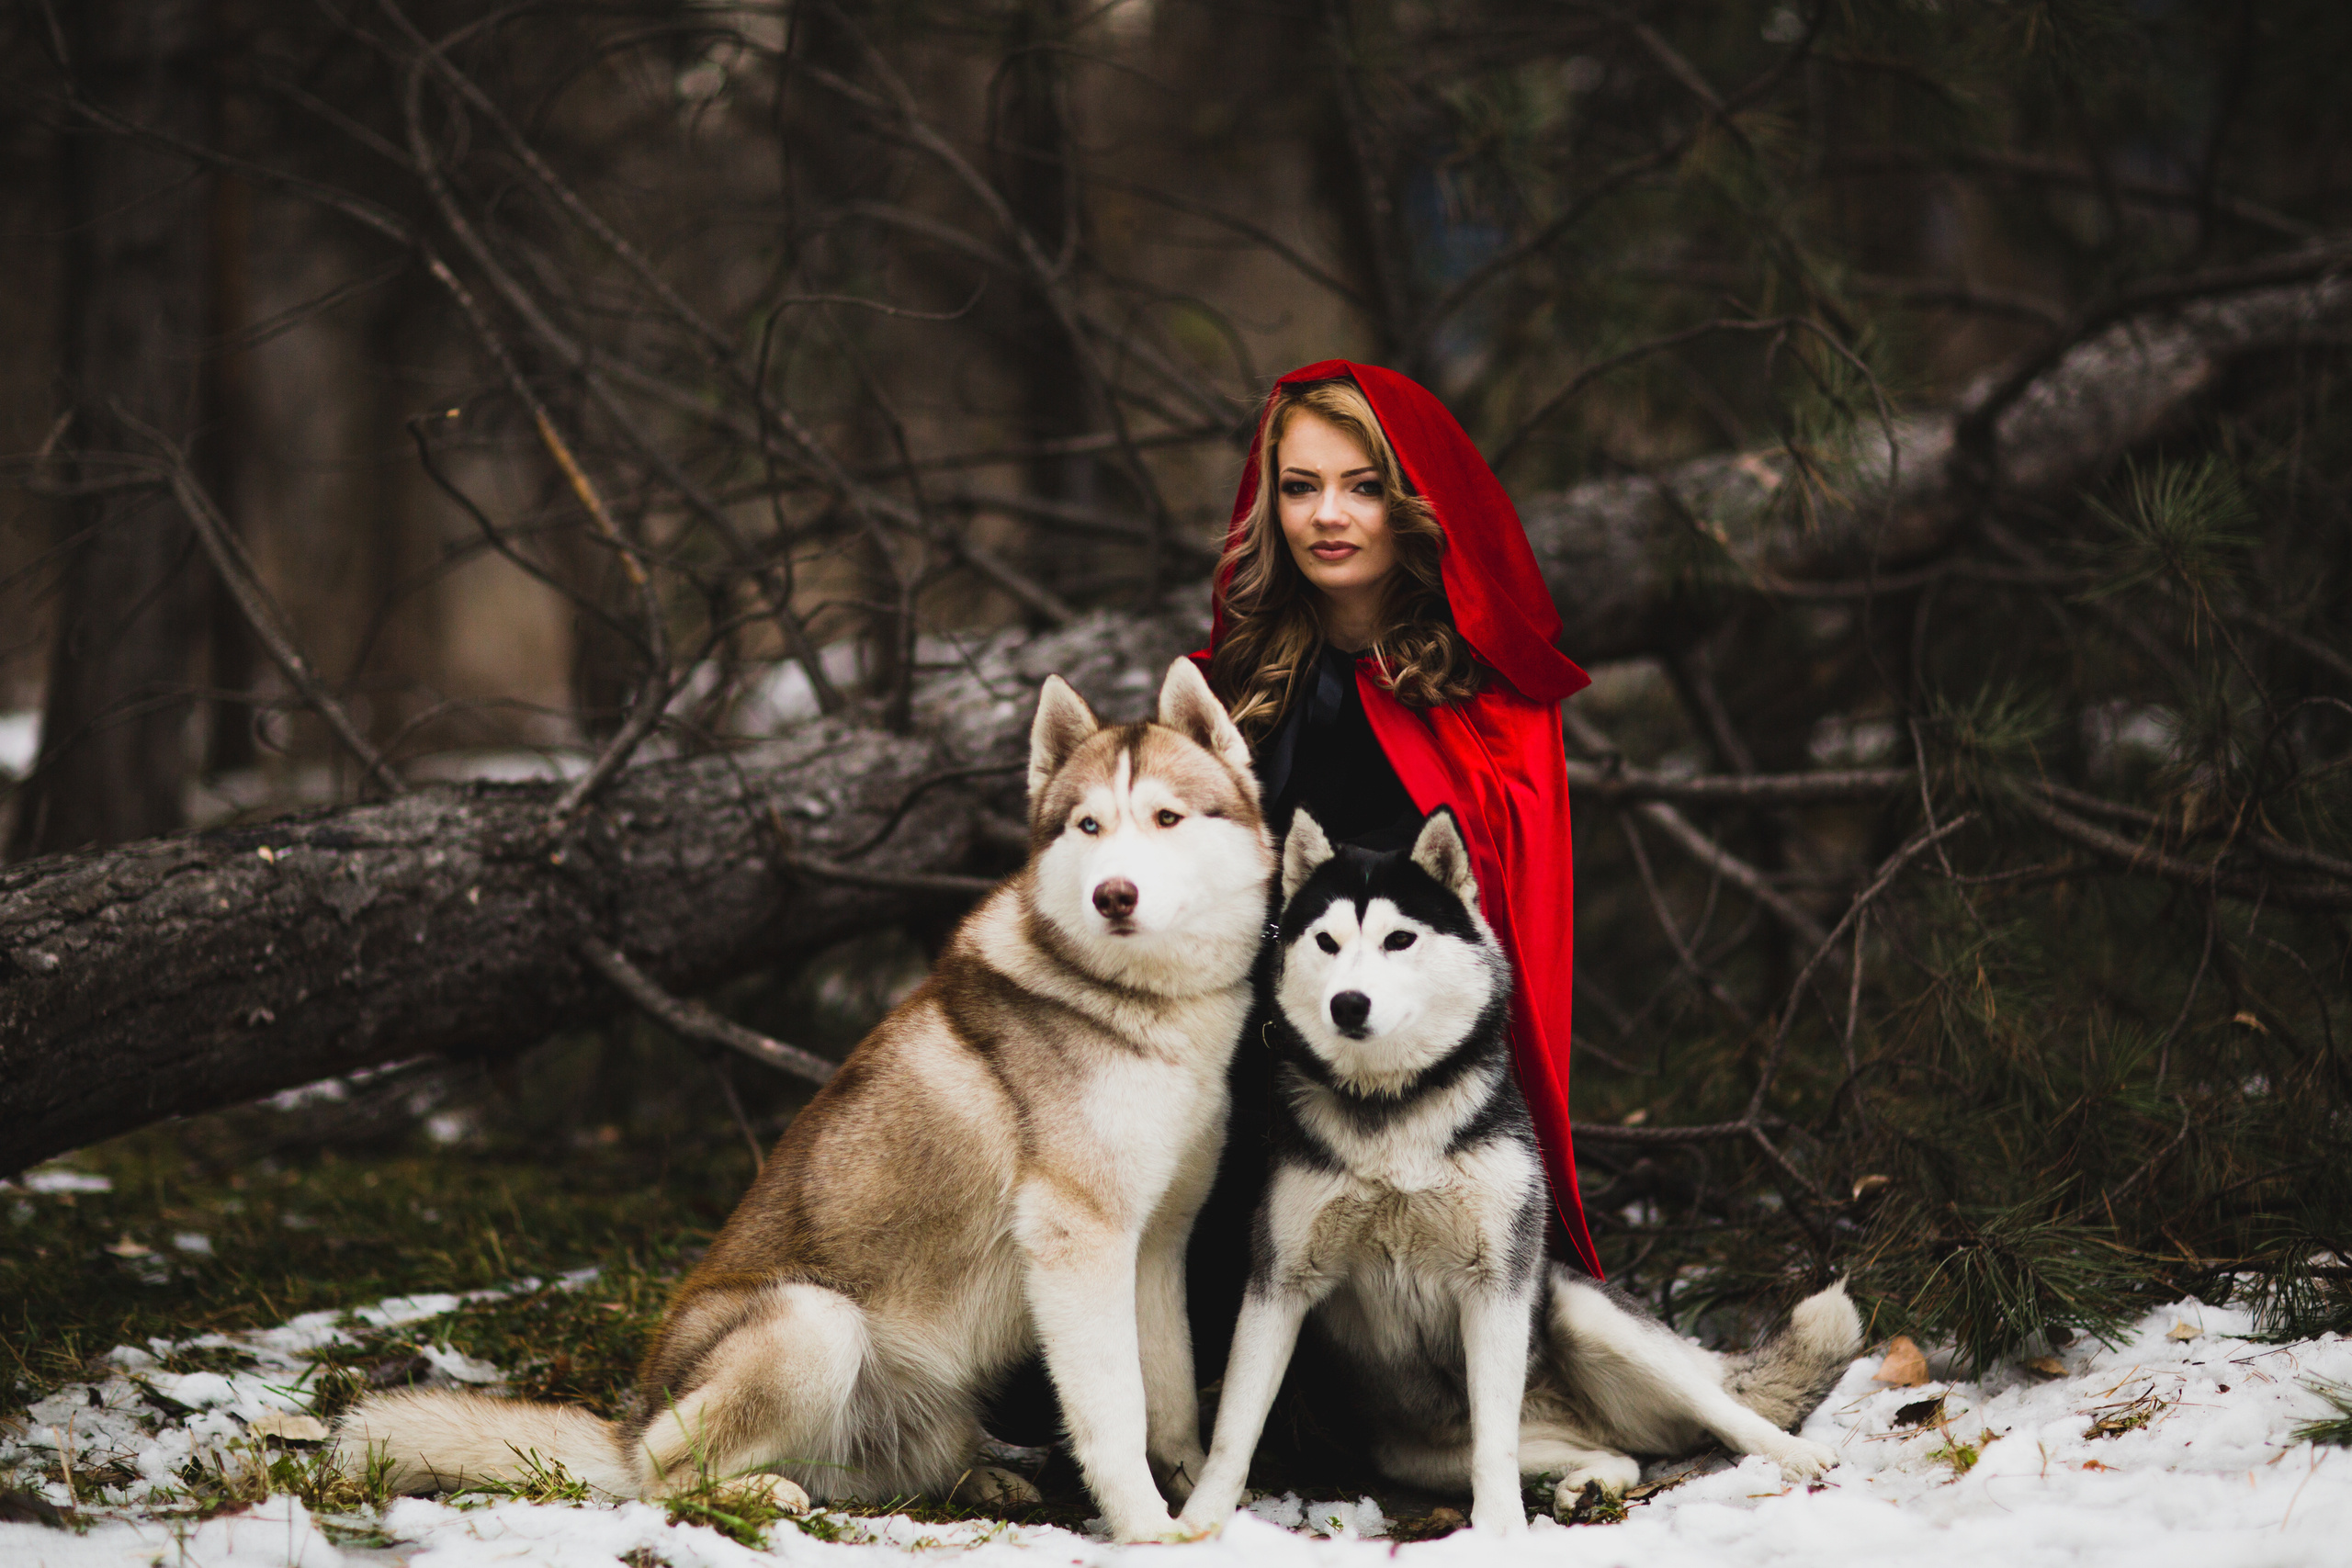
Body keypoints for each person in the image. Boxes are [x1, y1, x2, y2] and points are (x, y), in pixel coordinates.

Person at [1185, 362, 1602, 1399]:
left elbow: (1501, 928)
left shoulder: (1485, 699)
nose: (1327, 515)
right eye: (1298, 485)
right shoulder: (1237, 683)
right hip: (1236, 1071)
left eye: (1362, 485)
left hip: (1407, 1078)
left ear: (1411, 501)